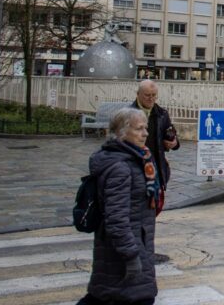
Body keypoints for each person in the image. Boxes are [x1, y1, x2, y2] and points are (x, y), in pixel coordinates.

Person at [78, 108, 158, 305]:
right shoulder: (121, 168)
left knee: (104, 296)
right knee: (131, 297)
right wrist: (131, 256)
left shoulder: (137, 159)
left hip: (130, 247)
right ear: (123, 132)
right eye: (140, 129)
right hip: (125, 253)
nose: (145, 133)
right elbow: (116, 219)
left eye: (145, 128)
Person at [131, 80, 178, 209]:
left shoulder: (162, 113)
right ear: (138, 94)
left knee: (155, 206)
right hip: (135, 165)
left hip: (156, 165)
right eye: (147, 95)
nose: (151, 98)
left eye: (154, 95)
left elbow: (171, 133)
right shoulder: (128, 114)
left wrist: (173, 142)